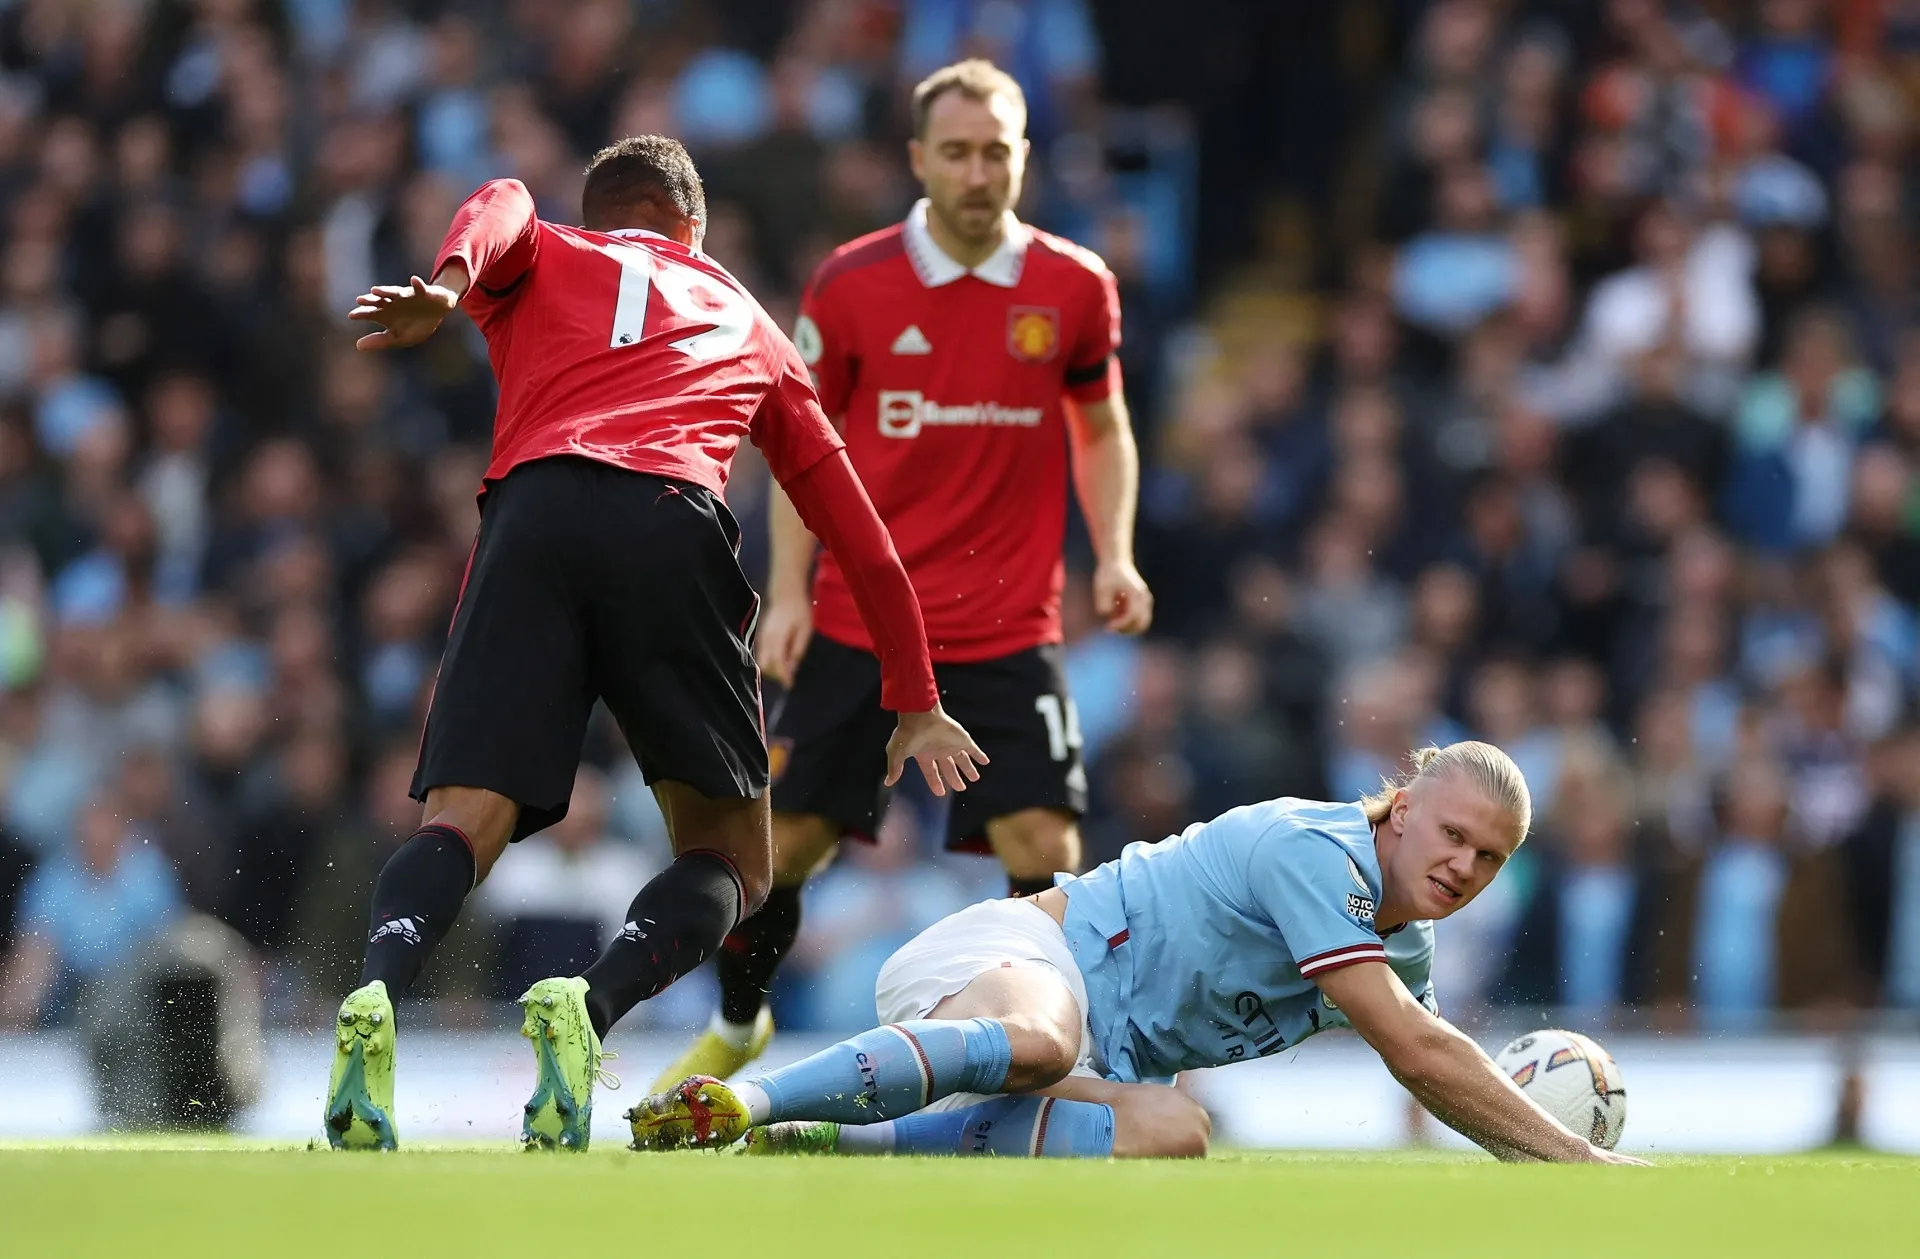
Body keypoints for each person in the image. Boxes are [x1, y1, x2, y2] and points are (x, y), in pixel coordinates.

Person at [322, 135, 985, 1152]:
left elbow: (498, 200)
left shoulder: (547, 249)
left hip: (531, 514)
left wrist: (452, 286)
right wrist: (915, 690)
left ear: (599, 215)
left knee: (460, 820)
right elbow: (862, 536)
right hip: (672, 520)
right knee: (730, 858)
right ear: (696, 230)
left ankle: (375, 985)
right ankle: (588, 1007)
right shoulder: (753, 324)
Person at [655, 57, 1151, 1091]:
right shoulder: (853, 283)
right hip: (859, 623)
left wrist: (1113, 552)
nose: (978, 173)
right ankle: (741, 1023)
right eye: (957, 153)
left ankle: (1053, 1059)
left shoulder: (1073, 285)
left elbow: (1102, 429)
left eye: (997, 152)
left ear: (1024, 157)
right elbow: (797, 448)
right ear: (920, 159)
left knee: (1045, 846)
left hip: (1010, 625)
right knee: (781, 851)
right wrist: (789, 591)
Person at [632, 743, 1649, 1164]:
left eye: (1492, 856)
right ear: (1406, 802)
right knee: (1041, 1036)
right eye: (1455, 835)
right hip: (1024, 953)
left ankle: (827, 1142)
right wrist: (1582, 1162)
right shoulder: (1317, 848)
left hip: (1097, 1062)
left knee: (1171, 1127)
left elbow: (1425, 1066)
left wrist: (1509, 1153)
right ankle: (748, 1099)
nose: (1467, 864)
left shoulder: (1404, 939)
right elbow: (1421, 1049)